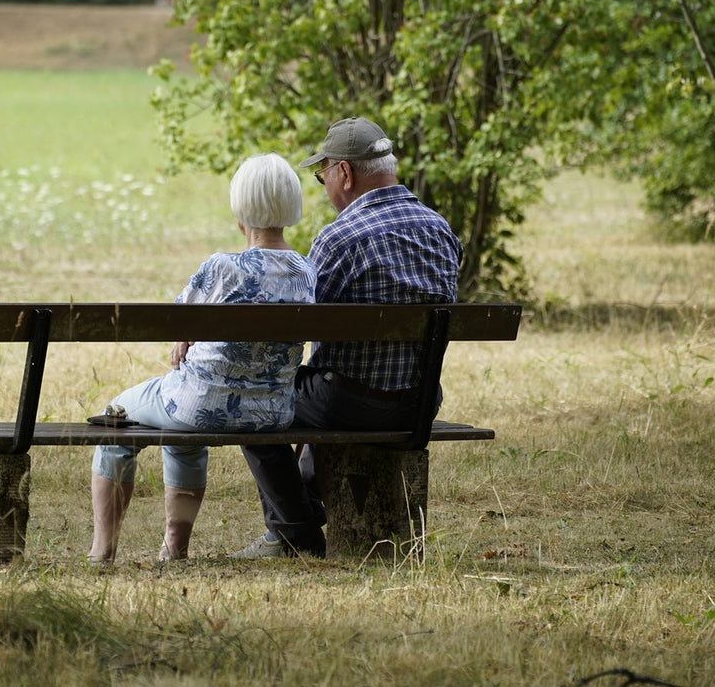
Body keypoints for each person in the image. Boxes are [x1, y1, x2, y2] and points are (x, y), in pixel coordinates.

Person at [230, 117, 463, 559]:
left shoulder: (339, 238)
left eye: (323, 177)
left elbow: (299, 327)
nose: (325, 187)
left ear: (345, 173)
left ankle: (295, 533)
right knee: (326, 381)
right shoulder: (441, 230)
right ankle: (302, 514)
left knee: (252, 397)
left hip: (350, 405)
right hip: (418, 403)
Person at [88, 153, 318, 565]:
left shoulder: (222, 268)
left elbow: (174, 323)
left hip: (200, 406)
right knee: (181, 428)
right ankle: (174, 549)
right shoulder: (306, 271)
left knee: (115, 418)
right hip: (272, 414)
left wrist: (185, 337)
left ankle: (102, 551)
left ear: (240, 209)